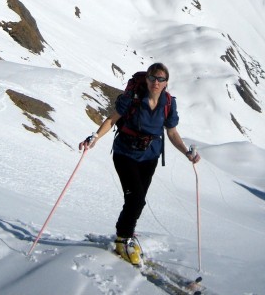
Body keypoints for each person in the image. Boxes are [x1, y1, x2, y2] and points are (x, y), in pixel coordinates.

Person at [79, 62, 200, 266]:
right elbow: (112, 119)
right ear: (147, 79)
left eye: (160, 79)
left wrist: (187, 152)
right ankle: (122, 239)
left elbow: (172, 132)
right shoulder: (132, 98)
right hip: (125, 153)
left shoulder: (168, 103)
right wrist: (95, 137)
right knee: (135, 198)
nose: (156, 82)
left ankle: (127, 232)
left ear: (166, 83)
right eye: (152, 77)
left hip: (150, 157)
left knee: (139, 200)